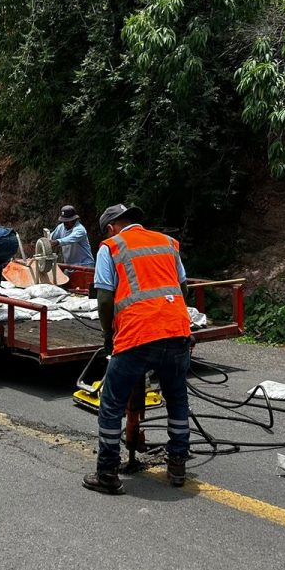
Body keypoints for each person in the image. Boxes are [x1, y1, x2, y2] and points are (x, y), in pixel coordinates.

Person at [83, 203, 193, 495]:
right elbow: (183, 289)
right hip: (177, 330)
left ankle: (107, 472)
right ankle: (178, 465)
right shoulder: (167, 242)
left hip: (138, 334)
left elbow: (105, 299)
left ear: (111, 227)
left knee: (111, 403)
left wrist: (109, 334)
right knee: (177, 398)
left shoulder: (111, 246)